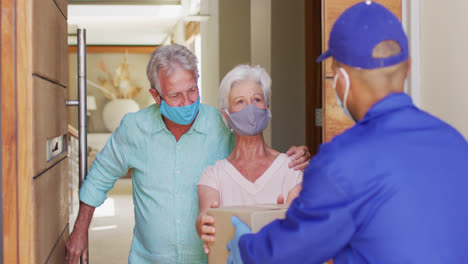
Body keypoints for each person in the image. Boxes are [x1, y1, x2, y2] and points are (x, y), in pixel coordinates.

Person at [227, 2, 468, 263]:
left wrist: (245, 247)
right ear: (408, 67)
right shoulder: (455, 143)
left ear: (341, 79)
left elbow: (286, 253)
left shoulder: (343, 161)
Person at [65, 44, 311, 264]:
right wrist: (80, 230)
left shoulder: (220, 124)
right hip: (149, 259)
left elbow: (255, 148)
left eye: (192, 90)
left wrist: (296, 157)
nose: (187, 102)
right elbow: (100, 176)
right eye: (175, 96)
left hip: (207, 257)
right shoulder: (134, 129)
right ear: (155, 95)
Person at [195, 65, 303, 254]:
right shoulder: (213, 175)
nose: (250, 108)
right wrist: (204, 226)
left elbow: (301, 233)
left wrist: (285, 220)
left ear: (267, 108)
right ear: (226, 115)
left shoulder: (292, 167)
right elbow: (205, 217)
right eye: (240, 101)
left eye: (256, 99)